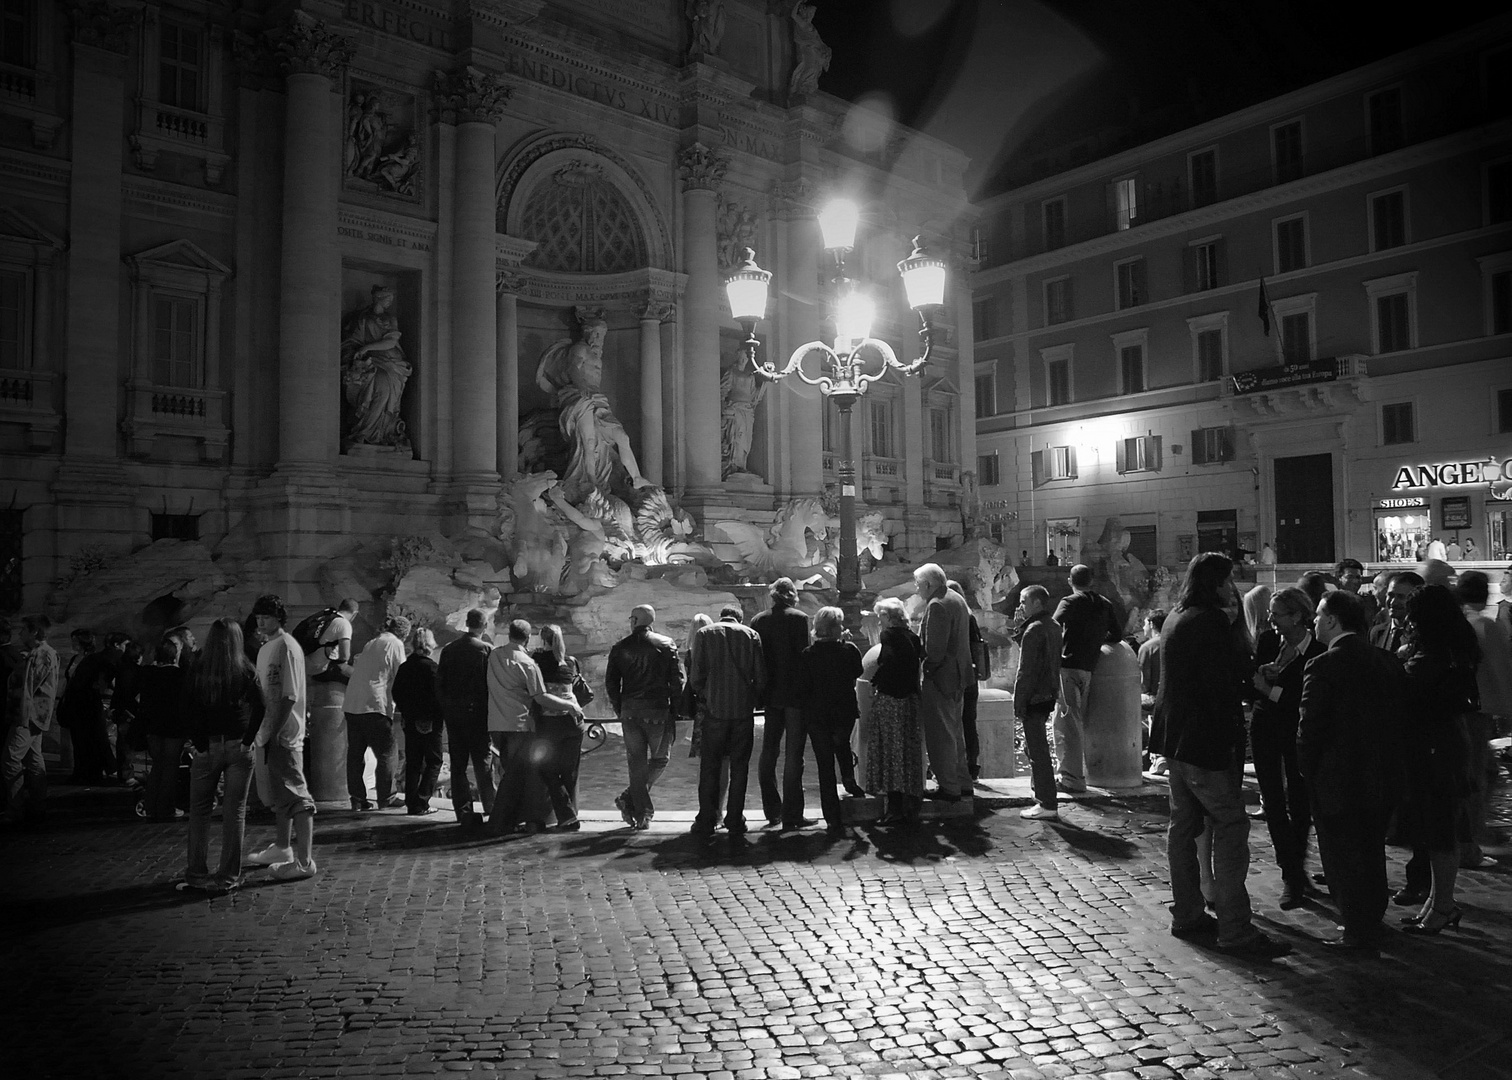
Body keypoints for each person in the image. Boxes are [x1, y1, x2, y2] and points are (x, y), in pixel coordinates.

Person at [1152, 553, 1291, 959]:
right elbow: (1223, 681)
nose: (1234, 586)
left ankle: (1189, 913)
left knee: (1183, 827)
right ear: (1217, 582)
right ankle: (1235, 929)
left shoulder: (1179, 616)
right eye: (1230, 579)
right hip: (1205, 742)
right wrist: (1254, 681)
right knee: (1230, 826)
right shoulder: (1211, 621)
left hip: (1175, 739)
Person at [1298, 591, 1408, 950]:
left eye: (1317, 615)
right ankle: (1372, 919)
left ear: (1332, 620)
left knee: (1343, 855)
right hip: (1381, 772)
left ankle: (1356, 929)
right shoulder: (1386, 661)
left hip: (1337, 776)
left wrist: (1306, 769)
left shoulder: (1323, 665)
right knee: (1372, 849)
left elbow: (1310, 726)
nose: (1313, 622)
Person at [1395, 586, 1480, 936]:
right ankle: (1437, 901)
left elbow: (1413, 694)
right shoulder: (1454, 649)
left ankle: (1443, 905)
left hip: (1435, 747)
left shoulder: (1433, 657)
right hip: (1445, 741)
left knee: (1440, 828)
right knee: (1439, 827)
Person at [1250, 587, 1326, 908]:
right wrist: (1262, 679)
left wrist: (1268, 689)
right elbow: (1251, 681)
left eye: (1277, 614)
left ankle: (1297, 872)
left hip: (1297, 733)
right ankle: (1290, 873)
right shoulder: (1268, 642)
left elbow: (1301, 701)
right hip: (1264, 728)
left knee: (1300, 799)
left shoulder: (1318, 652)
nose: (1270, 620)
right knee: (1272, 802)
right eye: (1269, 613)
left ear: (1297, 616)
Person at [178, 618, 263, 893]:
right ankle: (228, 876)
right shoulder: (244, 669)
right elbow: (261, 707)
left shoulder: (198, 669)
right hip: (238, 745)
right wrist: (248, 740)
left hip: (208, 746)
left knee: (200, 811)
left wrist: (199, 742)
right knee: (234, 811)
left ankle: (196, 873)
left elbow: (188, 709)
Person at [245, 595, 318, 881]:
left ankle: (304, 860)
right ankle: (283, 846)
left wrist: (274, 729)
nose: (261, 621)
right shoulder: (268, 647)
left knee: (297, 794)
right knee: (281, 793)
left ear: (279, 617)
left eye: (266, 616)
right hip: (270, 730)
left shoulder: (285, 647)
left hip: (283, 732)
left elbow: (288, 694)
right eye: (258, 616)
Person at [487, 619, 581, 834]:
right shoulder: (534, 663)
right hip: (529, 724)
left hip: (498, 723)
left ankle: (510, 821)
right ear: (528, 638)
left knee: (515, 773)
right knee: (527, 773)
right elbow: (540, 696)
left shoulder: (495, 655)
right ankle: (517, 821)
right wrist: (570, 706)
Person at [688, 605, 766, 843]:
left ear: (721, 616)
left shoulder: (704, 634)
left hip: (714, 712)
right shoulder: (751, 635)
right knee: (739, 768)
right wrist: (752, 699)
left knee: (710, 767)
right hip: (742, 712)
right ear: (739, 618)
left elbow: (696, 676)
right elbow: (760, 676)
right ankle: (735, 819)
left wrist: (707, 692)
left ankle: (707, 820)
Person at [604, 605, 684, 830]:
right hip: (658, 711)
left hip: (630, 712)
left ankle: (638, 809)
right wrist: (676, 710)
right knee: (660, 759)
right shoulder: (666, 644)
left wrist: (620, 708)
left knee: (635, 763)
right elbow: (676, 681)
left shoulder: (620, 648)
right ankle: (640, 809)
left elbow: (611, 683)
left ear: (635, 620)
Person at [1455, 571, 1510, 868]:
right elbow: (1501, 667)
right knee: (1476, 775)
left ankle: (1475, 833)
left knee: (1482, 771)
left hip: (1465, 708)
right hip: (1478, 709)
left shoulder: (1459, 623)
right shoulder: (1485, 625)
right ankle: (1470, 841)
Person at [1051, 564, 1121, 794]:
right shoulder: (1104, 604)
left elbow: (1052, 627)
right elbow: (1117, 634)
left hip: (1067, 667)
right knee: (1080, 721)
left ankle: (1071, 778)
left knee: (1066, 723)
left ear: (1070, 581)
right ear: (1092, 581)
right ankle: (1083, 772)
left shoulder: (1069, 602)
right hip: (1089, 668)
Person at [796, 607, 865, 836]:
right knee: (843, 745)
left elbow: (803, 686)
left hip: (817, 715)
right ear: (836, 628)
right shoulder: (849, 650)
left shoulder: (807, 654)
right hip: (843, 711)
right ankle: (850, 781)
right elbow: (858, 671)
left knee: (824, 765)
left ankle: (832, 817)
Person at [751, 579, 812, 829]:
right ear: (792, 595)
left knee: (769, 751)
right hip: (795, 695)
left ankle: (771, 810)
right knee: (794, 754)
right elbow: (804, 656)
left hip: (770, 694)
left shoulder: (758, 621)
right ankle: (792, 814)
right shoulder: (799, 618)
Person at [914, 563, 973, 802]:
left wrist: (925, 670)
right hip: (960, 675)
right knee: (955, 732)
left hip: (942, 678)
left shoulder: (937, 605)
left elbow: (934, 650)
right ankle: (962, 781)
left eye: (918, 585)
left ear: (928, 584)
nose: (917, 590)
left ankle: (949, 787)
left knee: (941, 735)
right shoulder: (956, 598)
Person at [866, 598, 924, 827]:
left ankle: (894, 807)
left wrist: (876, 680)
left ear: (888, 618)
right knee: (907, 751)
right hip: (909, 700)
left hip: (891, 700)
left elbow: (888, 660)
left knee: (890, 752)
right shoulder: (913, 637)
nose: (878, 621)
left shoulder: (889, 635)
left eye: (880, 616)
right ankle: (911, 802)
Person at [343, 614, 410, 811]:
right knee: (387, 752)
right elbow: (401, 676)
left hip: (352, 704)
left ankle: (357, 798)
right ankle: (386, 797)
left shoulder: (371, 643)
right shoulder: (395, 644)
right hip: (375, 704)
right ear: (404, 634)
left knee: (355, 753)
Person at [438, 608, 494, 830]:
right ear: (484, 626)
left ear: (466, 623)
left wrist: (447, 709)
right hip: (479, 715)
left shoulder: (449, 649)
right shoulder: (486, 651)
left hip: (455, 715)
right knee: (483, 761)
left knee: (458, 764)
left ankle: (462, 809)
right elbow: (490, 685)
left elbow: (440, 683)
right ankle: (490, 805)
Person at [529, 624, 587, 832]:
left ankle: (567, 816)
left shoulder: (536, 661)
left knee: (546, 770)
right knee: (569, 772)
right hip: (574, 723)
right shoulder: (571, 662)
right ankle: (571, 816)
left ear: (541, 639)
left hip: (550, 723)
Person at [340, 285, 412, 449]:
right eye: (388, 298)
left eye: (391, 299)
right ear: (379, 298)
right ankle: (364, 431)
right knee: (380, 388)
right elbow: (353, 340)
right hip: (371, 362)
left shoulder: (390, 319)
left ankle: (381, 433)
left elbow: (391, 341)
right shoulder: (362, 318)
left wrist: (367, 348)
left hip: (392, 362)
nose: (390, 302)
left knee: (386, 393)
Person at [2, 615, 58, 825]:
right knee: (34, 760)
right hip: (32, 714)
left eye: (24, 629)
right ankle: (37, 807)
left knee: (10, 759)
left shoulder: (42, 654)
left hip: (29, 714)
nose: (20, 633)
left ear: (34, 631)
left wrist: (21, 717)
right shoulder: (37, 654)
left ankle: (15, 809)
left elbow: (28, 686)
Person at [1013, 586, 1062, 820]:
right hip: (1047, 695)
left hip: (1033, 696)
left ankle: (1046, 801)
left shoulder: (1034, 630)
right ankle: (1042, 796)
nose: (1020, 606)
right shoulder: (1053, 626)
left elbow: (1026, 671)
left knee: (1037, 751)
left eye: (1024, 602)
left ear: (1037, 603)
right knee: (1037, 748)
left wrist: (1019, 701)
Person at [59, 630, 128, 785]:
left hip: (89, 702)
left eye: (75, 641)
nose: (73, 644)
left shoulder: (94, 659)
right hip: (75, 701)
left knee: (96, 737)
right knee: (79, 738)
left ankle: (98, 771)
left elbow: (105, 678)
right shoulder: (76, 658)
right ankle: (81, 771)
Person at [133, 636, 190, 822]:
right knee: (171, 766)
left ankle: (151, 806)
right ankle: (166, 807)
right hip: (174, 727)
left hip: (154, 727)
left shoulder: (148, 675)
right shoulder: (181, 676)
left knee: (158, 765)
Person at [392, 627, 443, 817]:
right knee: (434, 761)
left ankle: (411, 802)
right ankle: (422, 801)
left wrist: (408, 711)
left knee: (413, 761)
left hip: (410, 719)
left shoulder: (405, 667)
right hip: (429, 721)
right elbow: (438, 696)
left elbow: (396, 692)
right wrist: (432, 715)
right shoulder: (432, 668)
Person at [948, 580, 984, 782]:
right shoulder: (970, 618)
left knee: (956, 722)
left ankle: (959, 766)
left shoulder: (958, 619)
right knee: (969, 722)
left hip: (958, 676)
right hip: (971, 676)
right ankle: (972, 766)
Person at [1371, 571, 1423, 656]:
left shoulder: (1422, 636)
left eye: (1401, 597)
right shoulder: (1376, 633)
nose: (1393, 602)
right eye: (1390, 595)